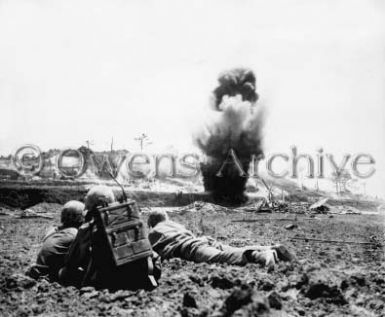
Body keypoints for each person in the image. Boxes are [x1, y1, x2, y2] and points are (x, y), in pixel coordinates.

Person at [59, 185, 161, 290]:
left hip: (110, 282)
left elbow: (71, 261)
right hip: (143, 278)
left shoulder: (89, 227)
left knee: (64, 273)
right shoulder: (129, 217)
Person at [148, 210, 293, 269]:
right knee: (233, 249)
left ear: (152, 223)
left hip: (190, 247)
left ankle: (259, 256)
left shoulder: (153, 232)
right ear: (165, 218)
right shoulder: (175, 225)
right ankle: (270, 248)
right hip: (202, 240)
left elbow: (150, 255)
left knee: (219, 257)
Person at [26, 200, 85, 281]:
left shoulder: (53, 230)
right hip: (50, 274)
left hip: (38, 269)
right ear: (79, 217)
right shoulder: (74, 233)